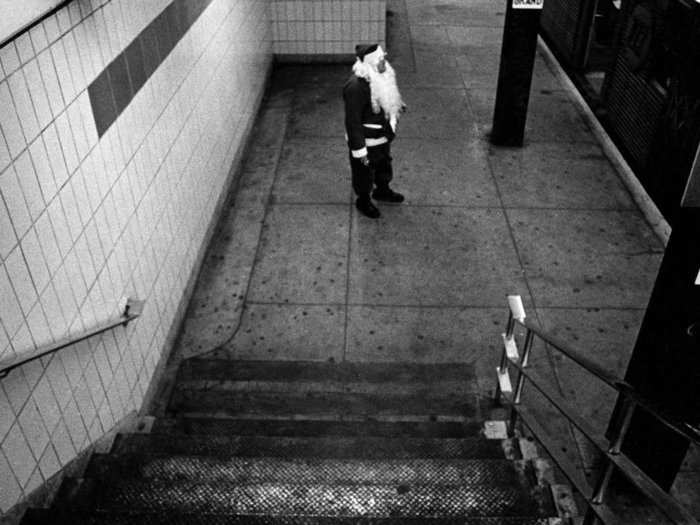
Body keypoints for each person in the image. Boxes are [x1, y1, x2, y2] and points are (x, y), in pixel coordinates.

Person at [343, 43, 406, 219]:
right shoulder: (356, 87)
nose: (384, 62)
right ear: (369, 63)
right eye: (380, 59)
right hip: (367, 141)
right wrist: (360, 151)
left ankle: (382, 190)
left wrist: (396, 105)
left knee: (384, 164)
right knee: (364, 172)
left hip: (382, 136)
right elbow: (352, 122)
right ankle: (363, 200)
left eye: (384, 57)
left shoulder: (381, 74)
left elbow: (387, 95)